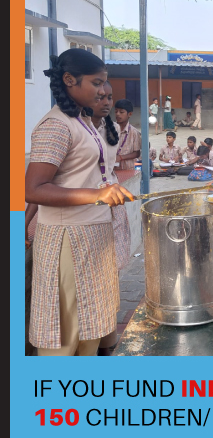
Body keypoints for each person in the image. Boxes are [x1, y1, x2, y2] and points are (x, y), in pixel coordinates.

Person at [25, 48, 133, 356]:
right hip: (67, 238)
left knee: (90, 326)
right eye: (96, 83)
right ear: (70, 80)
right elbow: (32, 189)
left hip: (93, 235)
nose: (102, 91)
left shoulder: (85, 121)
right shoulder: (56, 125)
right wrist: (96, 195)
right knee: (66, 331)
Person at [92, 81, 131, 355]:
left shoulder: (110, 128)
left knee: (110, 276)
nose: (106, 103)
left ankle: (107, 339)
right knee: (93, 280)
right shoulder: (72, 128)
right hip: (88, 210)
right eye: (100, 96)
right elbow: (41, 185)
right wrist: (24, 223)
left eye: (109, 97)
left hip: (112, 207)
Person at [114, 99, 142, 170]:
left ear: (130, 114)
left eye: (121, 112)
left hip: (128, 168)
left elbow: (137, 153)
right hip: (112, 168)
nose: (118, 114)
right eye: (116, 111)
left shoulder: (134, 132)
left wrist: (120, 157)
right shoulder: (110, 129)